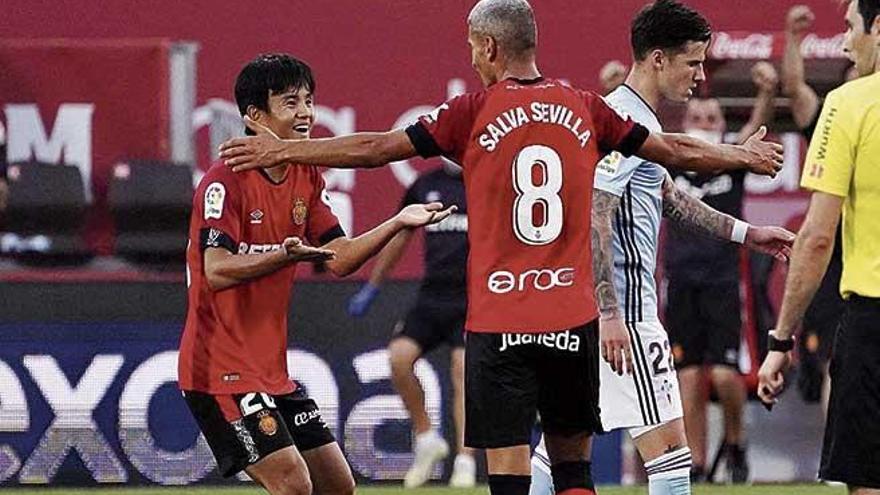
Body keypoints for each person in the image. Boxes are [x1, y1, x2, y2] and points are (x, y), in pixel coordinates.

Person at [219, 2, 785, 494]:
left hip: (500, 318)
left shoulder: (470, 112)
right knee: (572, 471)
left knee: (512, 477)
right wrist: (739, 156)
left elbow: (377, 148)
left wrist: (288, 153)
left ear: (489, 47)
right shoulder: (585, 106)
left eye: (472, 48)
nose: (471, 59)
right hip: (572, 317)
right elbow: (673, 151)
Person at [529, 3, 793, 495]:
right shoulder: (625, 116)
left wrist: (746, 233)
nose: (698, 75)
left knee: (562, 447)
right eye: (692, 63)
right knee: (672, 455)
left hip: (585, 314)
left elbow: (669, 198)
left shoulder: (628, 119)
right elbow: (595, 210)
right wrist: (611, 314)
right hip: (623, 319)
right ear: (657, 59)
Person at [177, 53, 455, 495]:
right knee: (293, 484)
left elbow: (339, 258)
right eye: (290, 102)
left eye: (309, 100)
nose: (306, 112)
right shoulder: (223, 182)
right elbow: (217, 270)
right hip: (218, 370)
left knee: (337, 485)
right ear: (254, 116)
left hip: (272, 372)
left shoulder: (305, 174)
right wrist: (283, 258)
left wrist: (399, 221)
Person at [758, 1, 880, 493]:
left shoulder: (852, 102)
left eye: (851, 28)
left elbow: (817, 236)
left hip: (874, 317)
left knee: (867, 477)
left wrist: (780, 340)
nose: (847, 42)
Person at [663, 61, 779, 484]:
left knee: (727, 375)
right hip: (681, 279)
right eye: (696, 119)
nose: (704, 125)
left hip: (724, 280)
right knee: (689, 374)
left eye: (711, 119)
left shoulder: (730, 160)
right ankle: (694, 464)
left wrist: (766, 92)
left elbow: (755, 131)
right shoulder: (671, 161)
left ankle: (735, 443)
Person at [347, 160, 475, 488]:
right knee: (399, 359)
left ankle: (465, 461)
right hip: (432, 295)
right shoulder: (424, 184)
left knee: (463, 372)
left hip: (472, 298)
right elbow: (399, 236)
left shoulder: (483, 179)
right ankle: (427, 438)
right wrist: (374, 285)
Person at [781, 3, 847, 406]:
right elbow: (795, 89)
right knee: (835, 363)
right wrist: (791, 37)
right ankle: (840, 464)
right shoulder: (831, 116)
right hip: (836, 262)